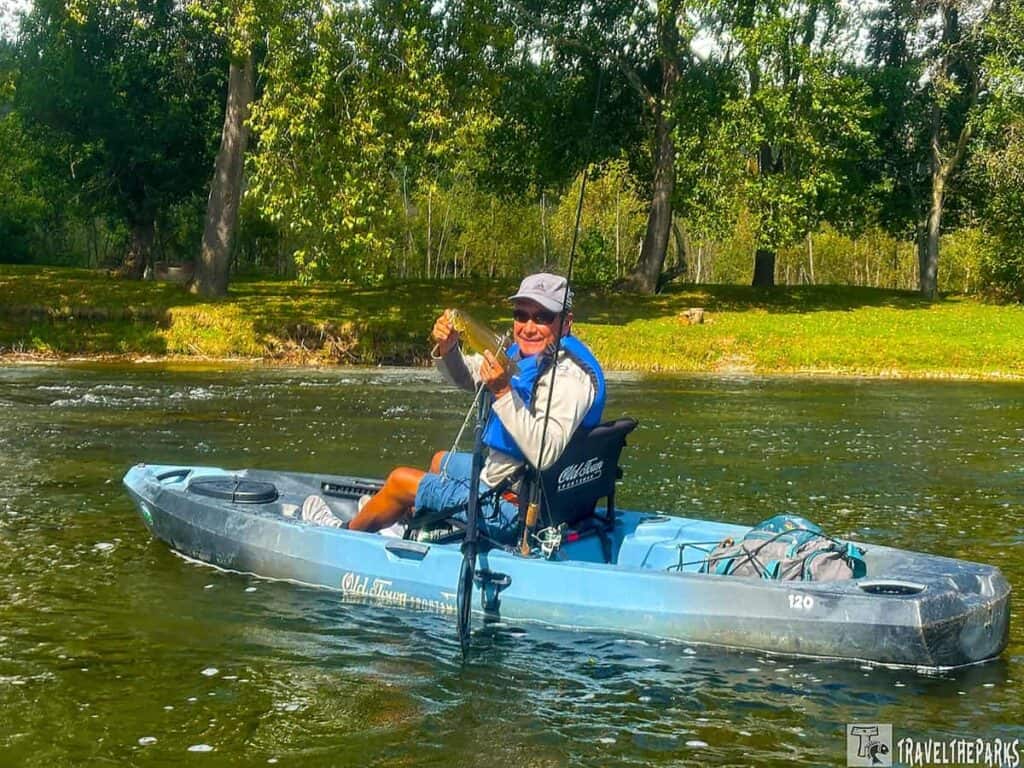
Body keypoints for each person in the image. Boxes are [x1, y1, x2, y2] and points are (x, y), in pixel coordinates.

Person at [304, 272, 606, 545]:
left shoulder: (568, 379)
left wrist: (502, 391)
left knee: (399, 480)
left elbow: (545, 454)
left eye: (542, 317)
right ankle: (407, 524)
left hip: (513, 509)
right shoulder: (525, 356)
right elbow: (465, 376)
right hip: (505, 478)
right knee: (439, 461)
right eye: (521, 315)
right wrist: (448, 350)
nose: (528, 327)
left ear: (566, 322)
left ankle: (341, 533)